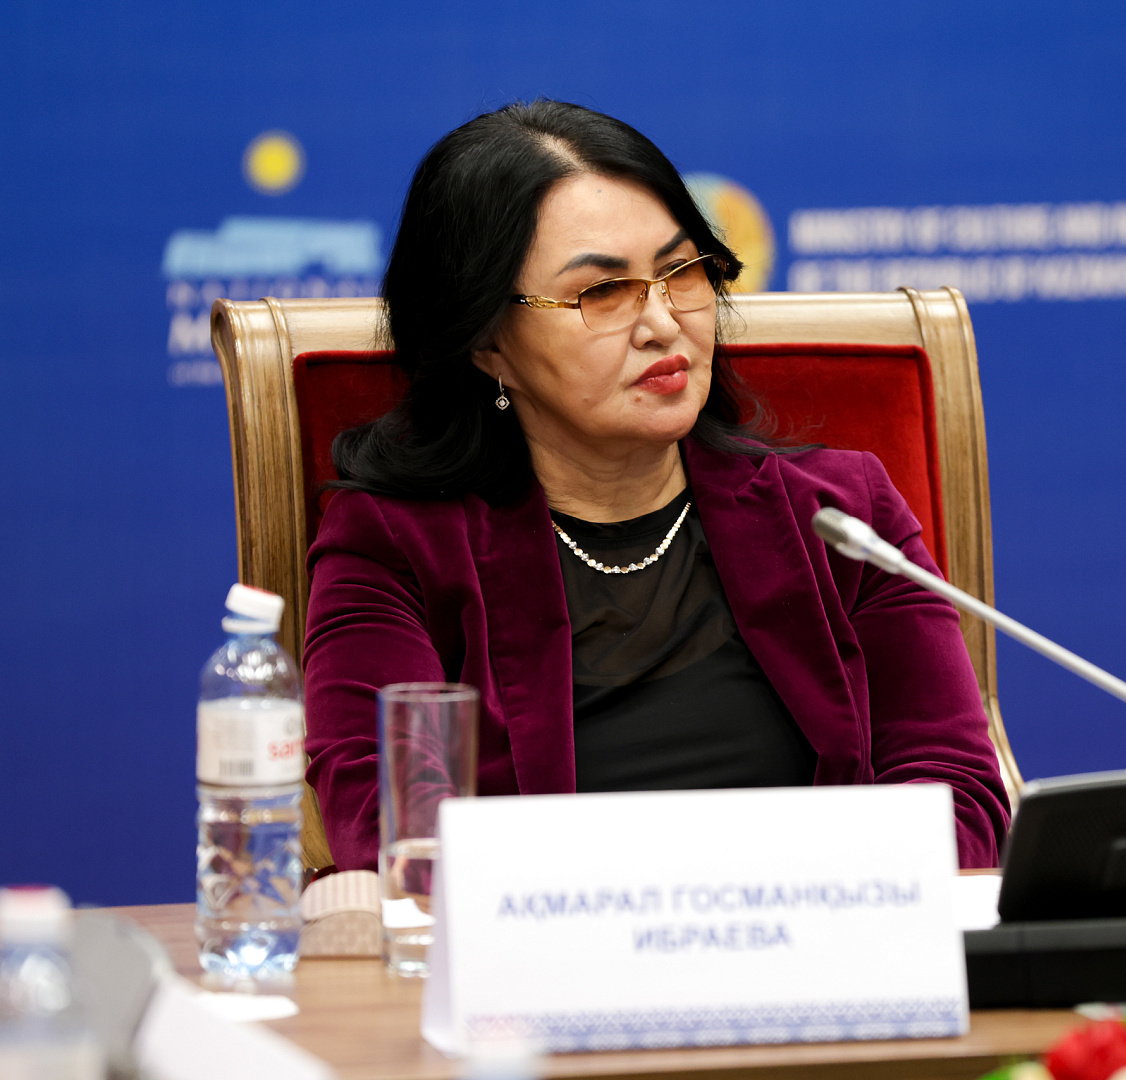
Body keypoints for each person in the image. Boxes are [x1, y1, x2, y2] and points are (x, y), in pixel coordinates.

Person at [302, 100, 1010, 872]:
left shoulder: (840, 517)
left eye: (681, 272)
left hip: (825, 941)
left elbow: (959, 804)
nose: (663, 324)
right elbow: (392, 829)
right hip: (552, 951)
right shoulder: (397, 547)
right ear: (486, 343)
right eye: (602, 292)